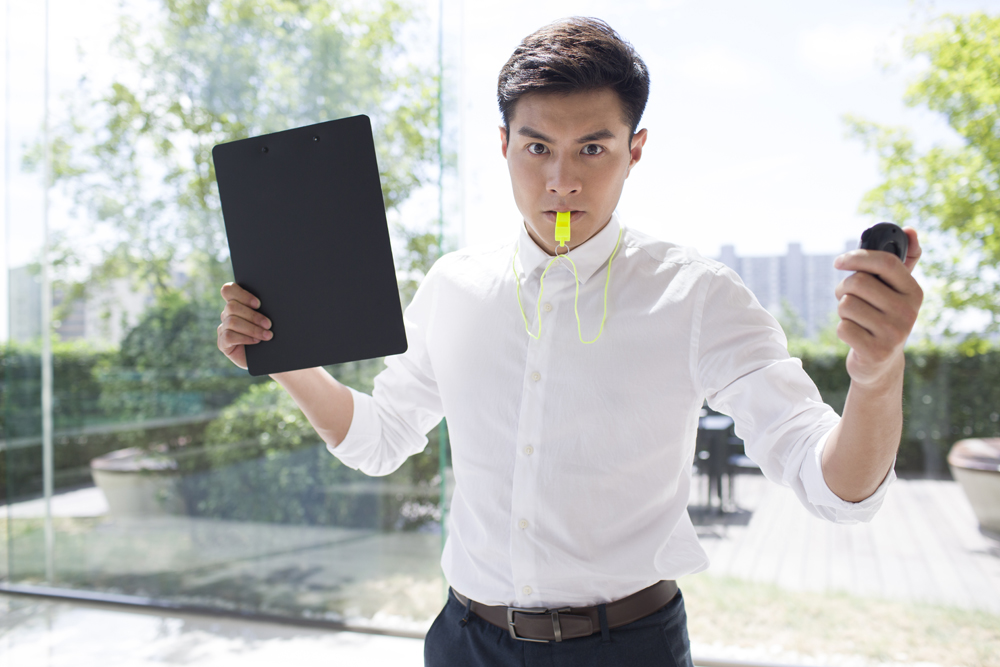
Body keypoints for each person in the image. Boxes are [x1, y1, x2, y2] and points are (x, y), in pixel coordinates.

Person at [216, 17, 923, 667]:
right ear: (503, 145)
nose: (562, 181)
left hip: (626, 649)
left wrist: (878, 372)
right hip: (464, 641)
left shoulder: (698, 295)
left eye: (593, 147)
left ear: (634, 149)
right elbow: (378, 438)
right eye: (537, 148)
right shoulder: (454, 286)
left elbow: (838, 490)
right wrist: (282, 358)